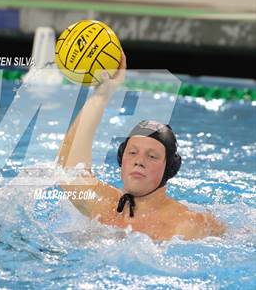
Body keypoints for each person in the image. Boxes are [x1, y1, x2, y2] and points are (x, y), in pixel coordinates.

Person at [57, 52, 225, 240]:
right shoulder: (105, 204)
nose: (139, 161)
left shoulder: (185, 225)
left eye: (152, 156)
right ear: (121, 158)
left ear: (170, 168)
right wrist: (102, 94)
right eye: (132, 152)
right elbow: (68, 169)